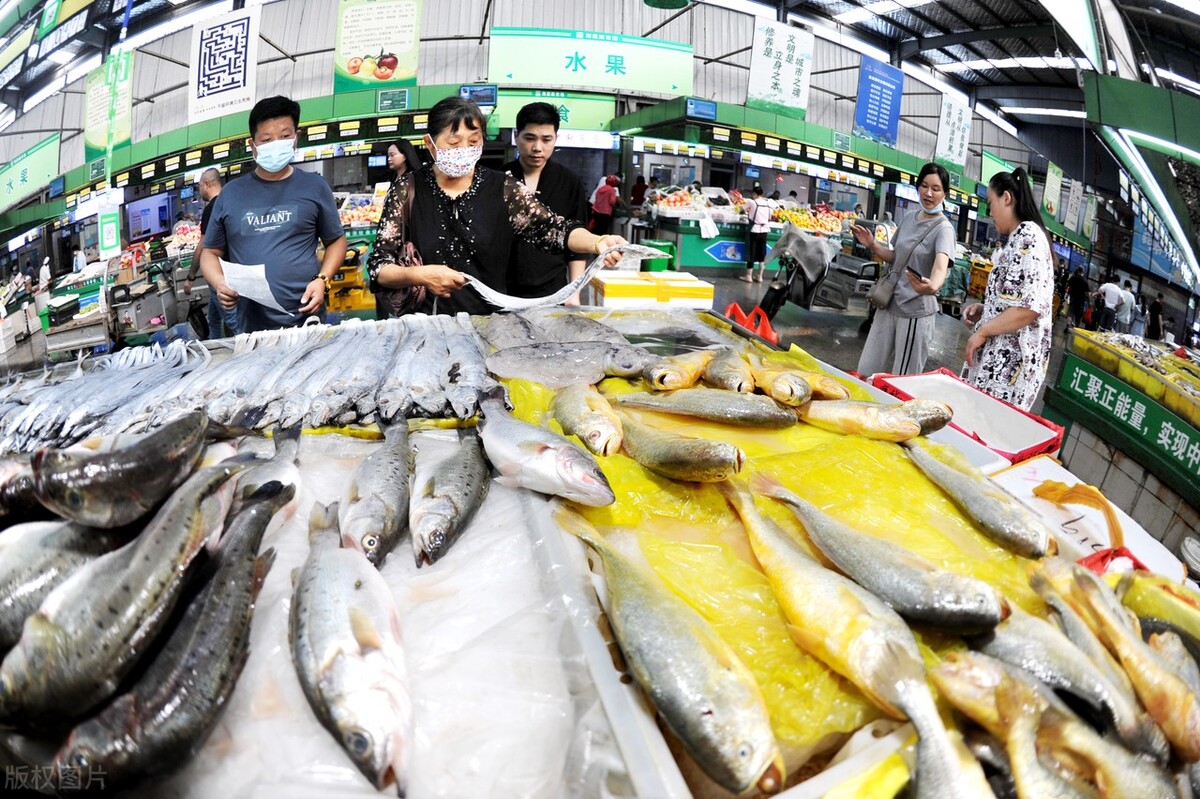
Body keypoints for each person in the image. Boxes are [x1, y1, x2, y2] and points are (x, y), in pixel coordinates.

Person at [368, 97, 625, 317]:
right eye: (454, 143)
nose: (464, 151)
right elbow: (379, 267)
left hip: (488, 323)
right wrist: (422, 275)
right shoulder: (407, 189)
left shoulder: (502, 187)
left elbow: (553, 229)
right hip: (425, 323)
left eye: (473, 141)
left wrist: (597, 241)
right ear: (430, 144)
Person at [200, 96, 347, 334]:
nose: (276, 143)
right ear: (253, 145)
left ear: (296, 138)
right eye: (267, 139)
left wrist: (323, 279)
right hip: (251, 326)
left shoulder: (314, 187)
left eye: (285, 136)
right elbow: (210, 252)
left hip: (308, 319)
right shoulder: (230, 195)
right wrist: (219, 283)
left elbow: (336, 241)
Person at [961, 168, 1055, 411]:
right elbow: (1017, 300)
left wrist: (983, 332)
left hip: (1008, 372)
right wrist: (987, 310)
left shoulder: (1028, 237)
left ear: (1006, 198)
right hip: (1000, 366)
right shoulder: (1019, 237)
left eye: (990, 203)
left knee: (987, 432)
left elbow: (1029, 309)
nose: (989, 212)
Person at [852, 162, 956, 376]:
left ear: (945, 193)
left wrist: (933, 285)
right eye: (924, 186)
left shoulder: (944, 229)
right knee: (866, 369)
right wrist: (872, 245)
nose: (928, 193)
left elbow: (940, 265)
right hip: (888, 303)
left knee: (902, 378)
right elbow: (896, 258)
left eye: (936, 189)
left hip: (915, 312)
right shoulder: (909, 217)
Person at [503, 102, 588, 302]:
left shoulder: (569, 182)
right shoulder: (499, 178)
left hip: (553, 290)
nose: (537, 148)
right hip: (502, 291)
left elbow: (576, 244)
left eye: (546, 139)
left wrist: (573, 294)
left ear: (556, 139)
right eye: (529, 138)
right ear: (517, 136)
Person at [185, 168, 240, 338]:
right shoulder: (233, 201)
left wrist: (191, 276)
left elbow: (203, 246)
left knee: (232, 320)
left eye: (199, 186)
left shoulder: (211, 209)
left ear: (207, 185)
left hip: (221, 273)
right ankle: (214, 344)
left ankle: (251, 352)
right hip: (234, 268)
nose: (199, 190)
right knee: (214, 316)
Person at [741, 185, 771, 284]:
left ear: (754, 194)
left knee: (751, 253)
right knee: (762, 254)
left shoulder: (752, 202)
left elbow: (742, 209)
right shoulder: (768, 203)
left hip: (754, 229)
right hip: (764, 231)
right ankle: (760, 277)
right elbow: (770, 216)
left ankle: (749, 276)